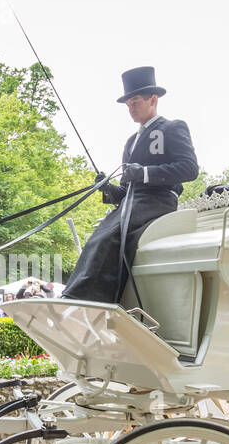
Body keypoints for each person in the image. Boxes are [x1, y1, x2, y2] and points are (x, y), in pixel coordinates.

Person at [64, 67, 199, 303]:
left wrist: (145, 173)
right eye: (128, 104)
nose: (130, 109)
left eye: (135, 102)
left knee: (109, 235)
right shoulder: (130, 142)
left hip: (159, 200)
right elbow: (126, 190)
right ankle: (79, 293)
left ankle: (86, 297)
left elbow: (189, 169)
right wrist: (108, 189)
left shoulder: (173, 127)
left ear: (153, 99)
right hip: (132, 202)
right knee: (99, 234)